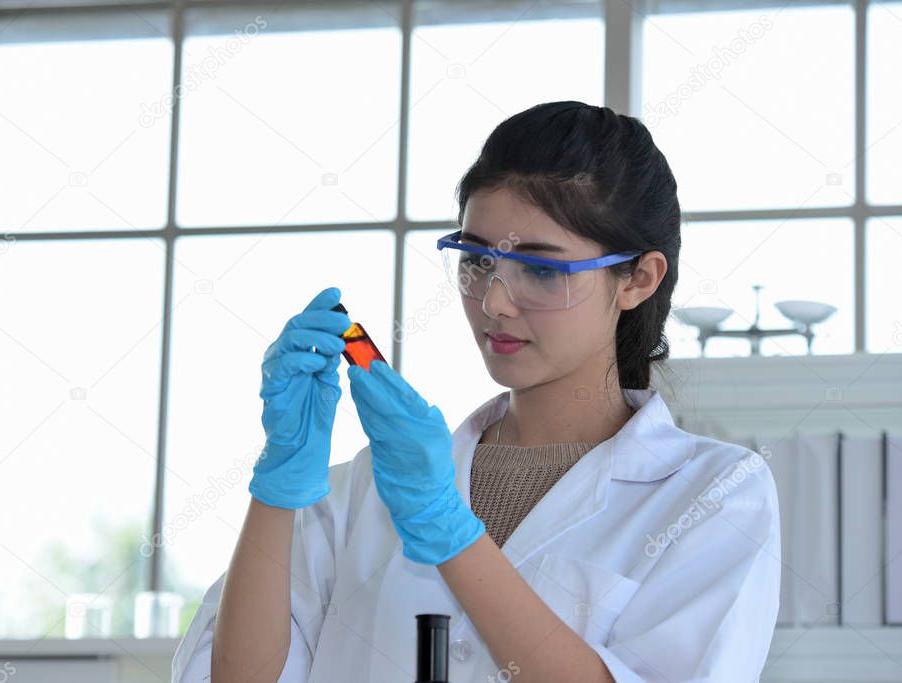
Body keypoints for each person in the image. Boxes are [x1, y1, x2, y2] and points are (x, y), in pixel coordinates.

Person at [171, 101, 781, 683]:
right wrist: (279, 488)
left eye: (542, 270)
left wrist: (450, 531)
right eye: (477, 262)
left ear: (638, 278)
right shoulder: (360, 492)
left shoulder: (714, 494)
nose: (493, 302)